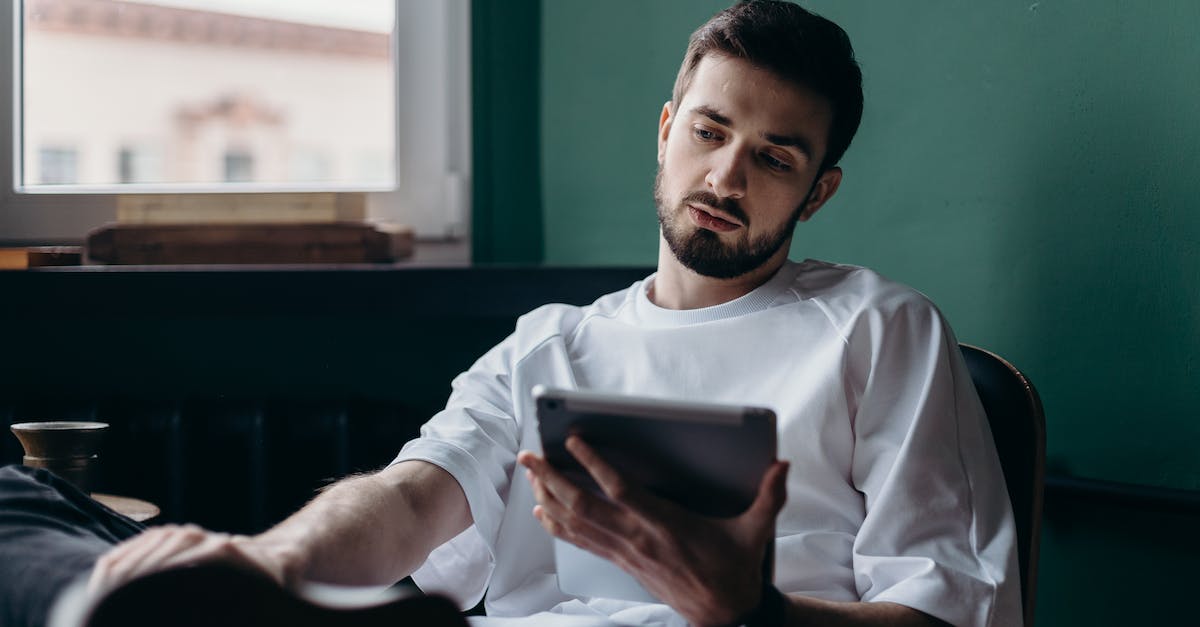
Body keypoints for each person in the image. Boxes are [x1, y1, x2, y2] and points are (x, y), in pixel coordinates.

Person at [3, 2, 1022, 626]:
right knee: (18, 501)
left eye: (775, 157)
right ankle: (117, 596)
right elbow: (410, 500)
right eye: (710, 130)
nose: (725, 173)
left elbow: (943, 615)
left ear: (819, 191)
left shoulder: (878, 330)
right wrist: (273, 565)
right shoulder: (552, 344)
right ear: (667, 130)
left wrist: (751, 614)